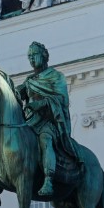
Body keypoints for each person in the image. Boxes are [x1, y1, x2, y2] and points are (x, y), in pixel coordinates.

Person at [18, 41, 71, 198]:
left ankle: (48, 179)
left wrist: (41, 103)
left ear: (44, 56)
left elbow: (62, 99)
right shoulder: (29, 80)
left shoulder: (56, 77)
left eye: (34, 55)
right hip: (31, 121)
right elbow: (17, 95)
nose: (31, 59)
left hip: (49, 121)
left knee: (45, 139)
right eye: (29, 56)